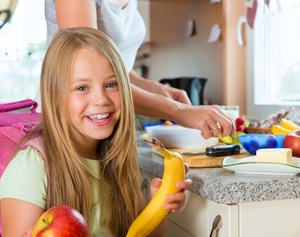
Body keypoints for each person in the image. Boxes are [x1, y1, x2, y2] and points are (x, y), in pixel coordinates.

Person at [0, 27, 192, 237]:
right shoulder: (31, 166)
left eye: (111, 84)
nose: (101, 99)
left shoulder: (115, 159)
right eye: (82, 88)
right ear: (54, 98)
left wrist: (160, 206)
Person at [43, 0, 236, 139]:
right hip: (69, 128)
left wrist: (153, 87)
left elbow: (116, 69)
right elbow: (91, 74)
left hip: (105, 131)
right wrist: (179, 111)